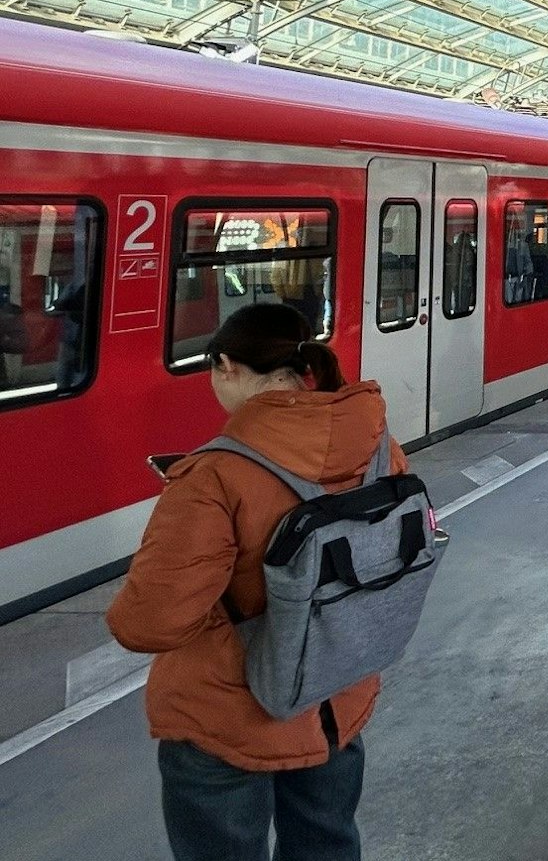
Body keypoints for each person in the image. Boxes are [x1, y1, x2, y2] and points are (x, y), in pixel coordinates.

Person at [106, 304, 399, 861]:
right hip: (337, 694)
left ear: (226, 365)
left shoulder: (213, 475)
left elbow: (148, 624)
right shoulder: (376, 441)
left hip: (229, 718)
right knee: (328, 844)